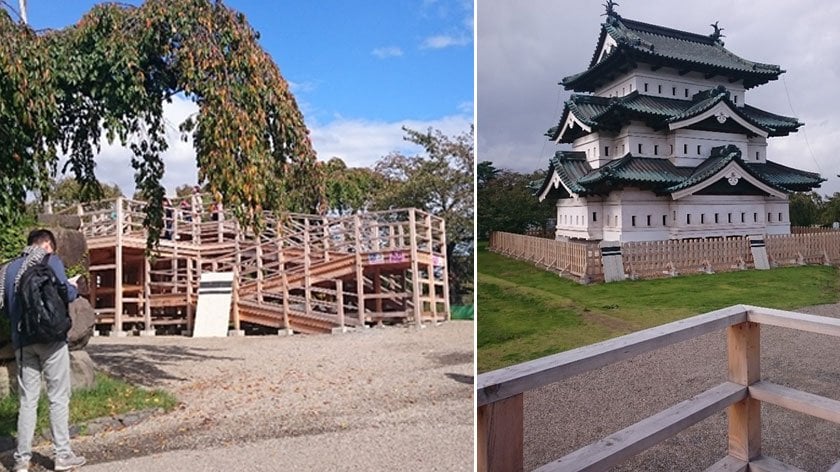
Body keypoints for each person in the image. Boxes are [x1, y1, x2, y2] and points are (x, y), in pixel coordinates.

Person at [0, 229, 86, 471]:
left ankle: (21, 461)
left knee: (27, 401)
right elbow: (65, 293)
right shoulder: (50, 260)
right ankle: (62, 456)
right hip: (51, 339)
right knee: (58, 397)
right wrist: (74, 286)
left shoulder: (8, 270)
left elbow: (5, 308)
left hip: (22, 342)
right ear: (48, 244)